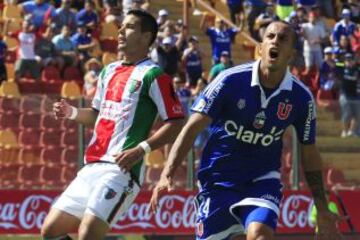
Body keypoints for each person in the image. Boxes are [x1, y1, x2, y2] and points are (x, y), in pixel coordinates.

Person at [151, 21, 343, 240]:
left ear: (292, 53)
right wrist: (167, 174)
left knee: (260, 234)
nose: (275, 42)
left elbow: (308, 152)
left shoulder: (301, 97)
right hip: (217, 180)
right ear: (260, 47)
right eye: (270, 36)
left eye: (283, 39)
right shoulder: (229, 80)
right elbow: (191, 128)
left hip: (262, 180)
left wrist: (322, 207)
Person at [41, 9, 184, 240]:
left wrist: (141, 150)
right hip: (91, 166)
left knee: (88, 233)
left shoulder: (154, 75)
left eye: (129, 27)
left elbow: (177, 123)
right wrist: (72, 112)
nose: (120, 31)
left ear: (146, 37)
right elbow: (97, 115)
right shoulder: (109, 71)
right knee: (51, 230)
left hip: (120, 170)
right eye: (121, 26)